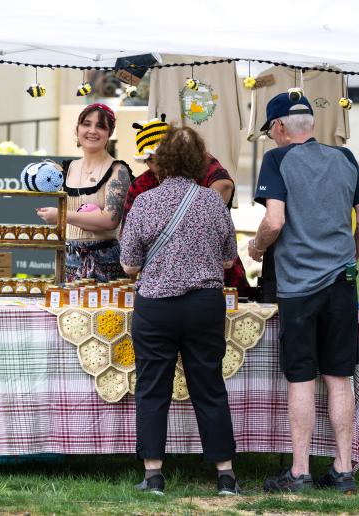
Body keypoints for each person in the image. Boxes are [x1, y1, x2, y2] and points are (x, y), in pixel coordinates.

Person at [249, 93, 359, 494]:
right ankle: (343, 470)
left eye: (270, 130)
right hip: (341, 283)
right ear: (312, 125)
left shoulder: (277, 160)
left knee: (301, 377)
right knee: (339, 376)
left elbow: (274, 220)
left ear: (280, 127)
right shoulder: (346, 158)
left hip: (298, 287)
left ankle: (300, 472)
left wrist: (256, 248)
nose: (271, 138)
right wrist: (348, 257)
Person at [120, 126, 240, 496]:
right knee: (209, 386)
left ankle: (154, 473)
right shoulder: (211, 202)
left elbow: (128, 265)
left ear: (161, 161)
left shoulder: (145, 202)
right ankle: (225, 475)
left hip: (156, 306)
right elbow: (229, 257)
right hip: (204, 306)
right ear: (198, 162)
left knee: (153, 387)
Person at [123, 115, 252, 297]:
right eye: (152, 159)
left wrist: (196, 219)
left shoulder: (200, 165)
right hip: (164, 283)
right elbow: (130, 251)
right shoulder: (140, 186)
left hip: (216, 279)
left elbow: (224, 185)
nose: (159, 163)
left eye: (162, 156)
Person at [36, 103, 132, 282]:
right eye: (86, 124)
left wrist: (62, 216)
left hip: (106, 262)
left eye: (100, 126)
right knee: (67, 310)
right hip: (69, 259)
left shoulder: (117, 170)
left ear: (110, 133)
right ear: (78, 128)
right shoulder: (66, 168)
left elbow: (110, 220)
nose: (92, 130)